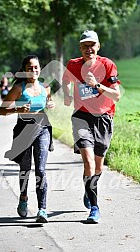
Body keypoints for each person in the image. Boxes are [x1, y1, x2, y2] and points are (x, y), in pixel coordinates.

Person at [62, 30, 121, 223]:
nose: (89, 49)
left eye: (92, 45)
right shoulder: (73, 64)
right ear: (80, 48)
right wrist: (67, 94)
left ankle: (89, 189)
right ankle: (95, 208)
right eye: (85, 46)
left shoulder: (108, 65)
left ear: (98, 47)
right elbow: (65, 80)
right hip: (81, 117)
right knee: (87, 161)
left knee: (98, 166)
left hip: (104, 117)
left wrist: (97, 85)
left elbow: (117, 96)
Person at [0, 55, 55, 223]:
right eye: (30, 68)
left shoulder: (45, 87)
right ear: (24, 70)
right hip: (23, 131)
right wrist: (17, 108)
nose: (34, 70)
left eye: (36, 67)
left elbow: (49, 102)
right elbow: (2, 110)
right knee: (25, 169)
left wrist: (51, 105)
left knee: (41, 170)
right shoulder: (18, 88)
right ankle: (23, 197)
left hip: (43, 129)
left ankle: (42, 209)